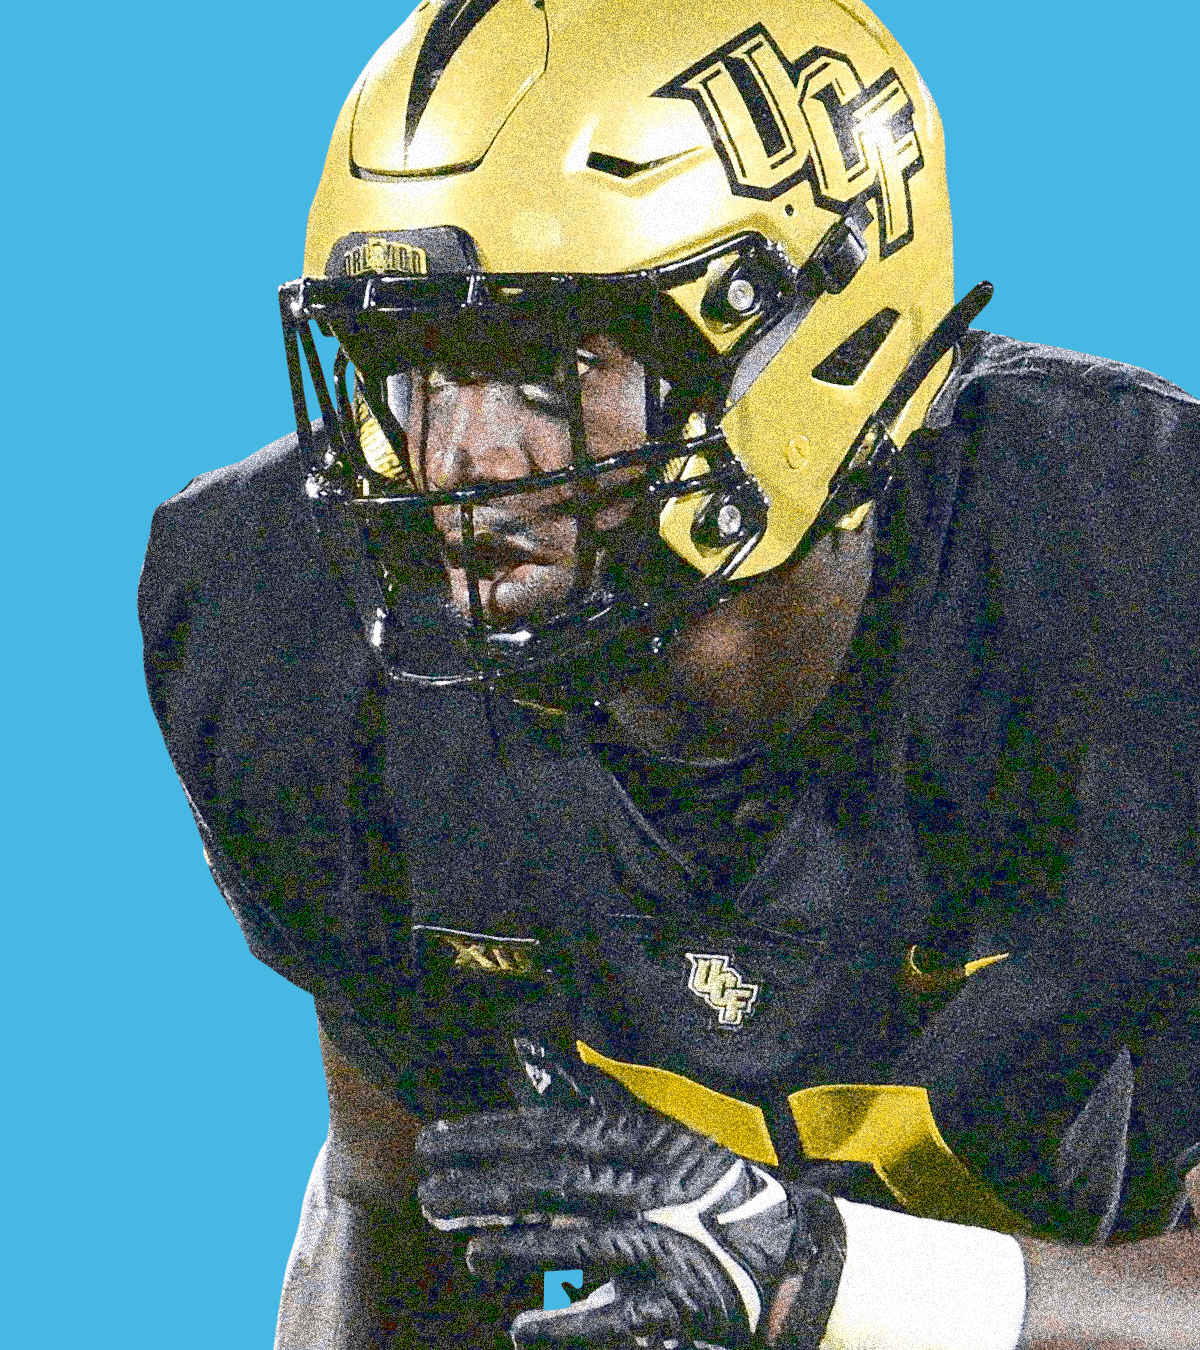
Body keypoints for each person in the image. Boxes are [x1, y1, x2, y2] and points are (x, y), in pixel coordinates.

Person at [139, 0, 1200, 1346]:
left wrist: (838, 1281)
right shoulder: (288, 625)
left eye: (549, 365)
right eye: (412, 363)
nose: (459, 459)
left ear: (809, 354)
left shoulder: (1140, 575)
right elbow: (390, 1198)